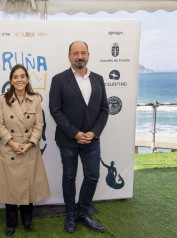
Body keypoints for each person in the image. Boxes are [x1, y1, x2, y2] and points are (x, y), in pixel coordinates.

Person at [49, 41, 109, 233]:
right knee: (69, 176)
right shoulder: (59, 79)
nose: (79, 56)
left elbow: (104, 110)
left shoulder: (98, 79)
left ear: (88, 55)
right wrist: (74, 133)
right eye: (76, 53)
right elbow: (55, 110)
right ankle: (70, 216)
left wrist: (93, 133)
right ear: (69, 56)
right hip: (68, 140)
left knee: (92, 176)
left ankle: (83, 214)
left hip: (92, 140)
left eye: (83, 53)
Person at [0, 64, 51, 236]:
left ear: (27, 79)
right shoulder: (2, 99)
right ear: (11, 80)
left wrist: (28, 144)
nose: (19, 80)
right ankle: (11, 223)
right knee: (10, 188)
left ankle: (28, 220)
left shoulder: (35, 99)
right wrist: (12, 143)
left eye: (22, 76)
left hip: (29, 149)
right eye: (15, 77)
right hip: (9, 149)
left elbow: (39, 126)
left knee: (28, 186)